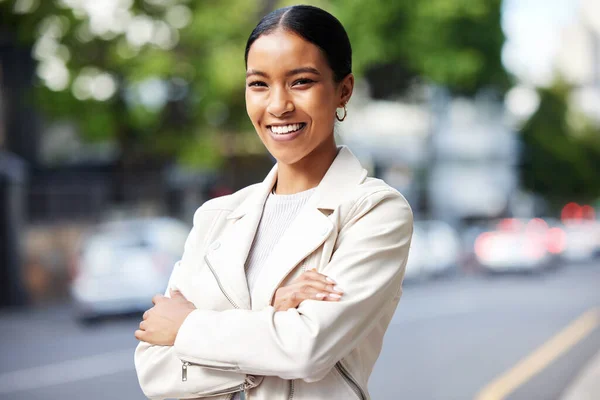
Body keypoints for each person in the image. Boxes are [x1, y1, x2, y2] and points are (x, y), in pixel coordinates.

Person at [134, 5, 413, 400]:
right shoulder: (216, 216)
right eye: (259, 84)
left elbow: (306, 350)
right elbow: (155, 370)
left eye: (301, 82)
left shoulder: (375, 210)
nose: (278, 105)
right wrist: (271, 317)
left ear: (343, 90)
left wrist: (187, 329)